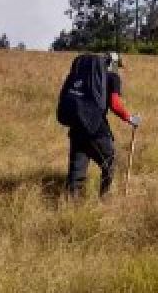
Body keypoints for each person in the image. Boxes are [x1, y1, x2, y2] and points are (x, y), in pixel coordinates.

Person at [57, 52, 141, 199]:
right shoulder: (112, 77)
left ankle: (71, 205)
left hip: (76, 127)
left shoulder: (84, 76)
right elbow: (115, 104)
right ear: (113, 64)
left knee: (76, 172)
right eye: (117, 65)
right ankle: (104, 198)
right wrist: (130, 118)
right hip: (96, 130)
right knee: (110, 162)